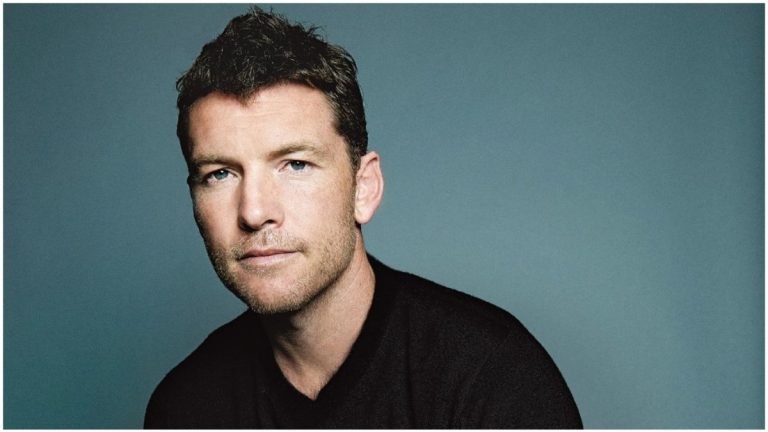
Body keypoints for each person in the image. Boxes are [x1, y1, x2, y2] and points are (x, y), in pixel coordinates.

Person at [145, 7, 582, 429]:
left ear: (364, 188)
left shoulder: (492, 378)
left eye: (295, 164)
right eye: (220, 174)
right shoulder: (185, 408)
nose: (255, 212)